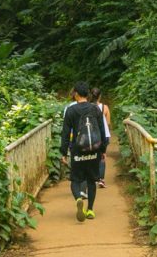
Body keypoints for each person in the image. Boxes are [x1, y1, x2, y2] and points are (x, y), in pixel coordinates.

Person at [60, 81, 108, 222]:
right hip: (94, 150)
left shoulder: (71, 110)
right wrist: (103, 149)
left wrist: (63, 152)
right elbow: (102, 130)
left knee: (75, 180)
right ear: (87, 94)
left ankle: (78, 199)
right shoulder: (95, 109)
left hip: (78, 150)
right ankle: (90, 210)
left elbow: (65, 134)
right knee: (92, 181)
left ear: (75, 94)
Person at [90, 88, 112, 188]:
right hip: (104, 134)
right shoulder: (105, 107)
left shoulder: (88, 107)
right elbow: (108, 123)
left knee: (91, 156)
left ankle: (92, 178)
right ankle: (101, 180)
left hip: (92, 134)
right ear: (100, 96)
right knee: (102, 156)